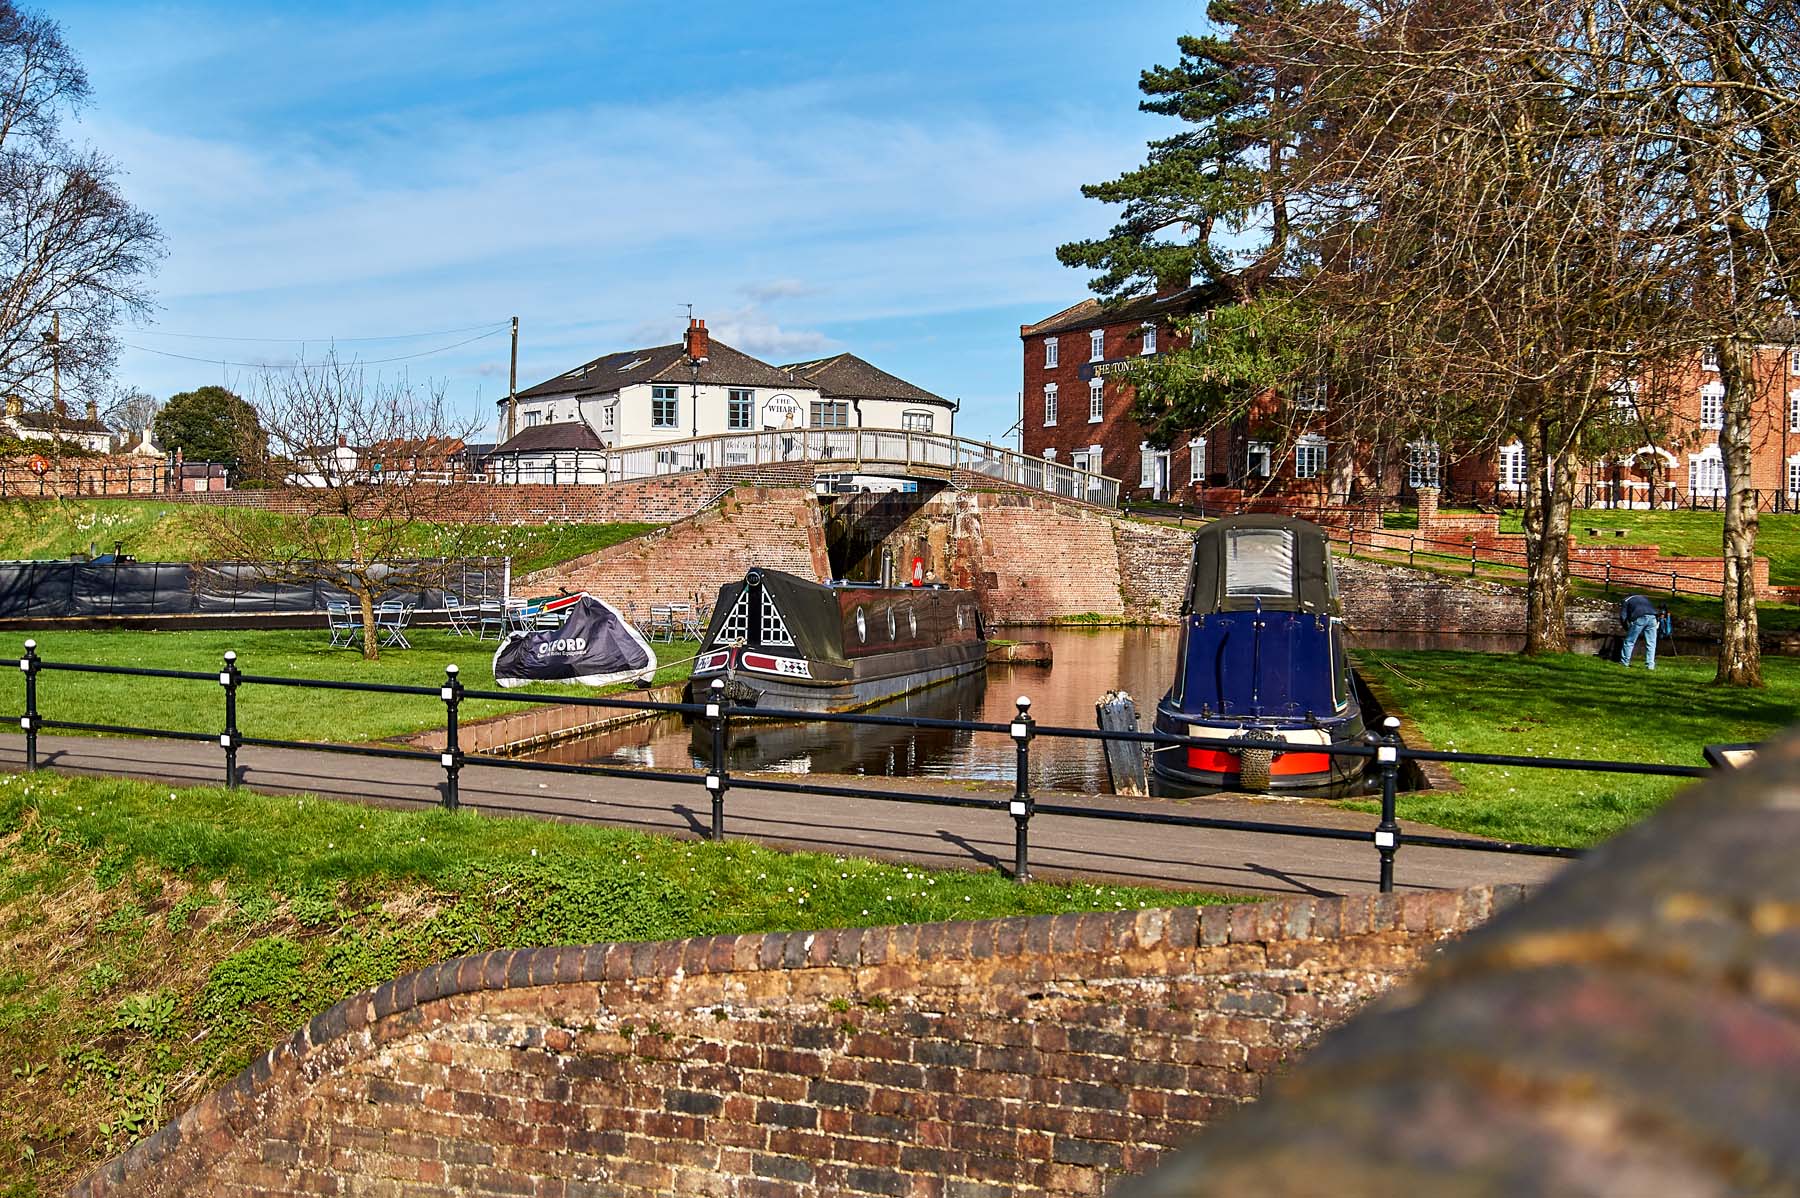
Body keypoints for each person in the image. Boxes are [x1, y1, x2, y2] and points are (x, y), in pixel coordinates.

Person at [1620, 593, 1659, 670]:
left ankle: (1625, 663)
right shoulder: (1644, 598)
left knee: (1629, 641)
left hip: (1640, 617)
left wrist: (1626, 628)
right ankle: (1650, 666)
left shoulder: (1626, 600)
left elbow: (1623, 616)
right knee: (1651, 643)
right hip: (1653, 617)